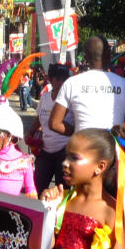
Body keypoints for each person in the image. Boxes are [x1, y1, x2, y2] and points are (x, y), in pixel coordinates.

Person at [49, 36, 125, 138]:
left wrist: (78, 134)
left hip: (81, 149)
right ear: (108, 54)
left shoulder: (71, 83)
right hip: (112, 150)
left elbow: (54, 123)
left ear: (85, 58)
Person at [28, 64, 72, 193]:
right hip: (45, 151)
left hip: (64, 152)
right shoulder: (45, 97)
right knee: (37, 189)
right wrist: (30, 132)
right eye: (58, 79)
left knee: (62, 191)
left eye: (65, 79)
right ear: (50, 80)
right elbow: (39, 118)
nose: (62, 82)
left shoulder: (71, 100)